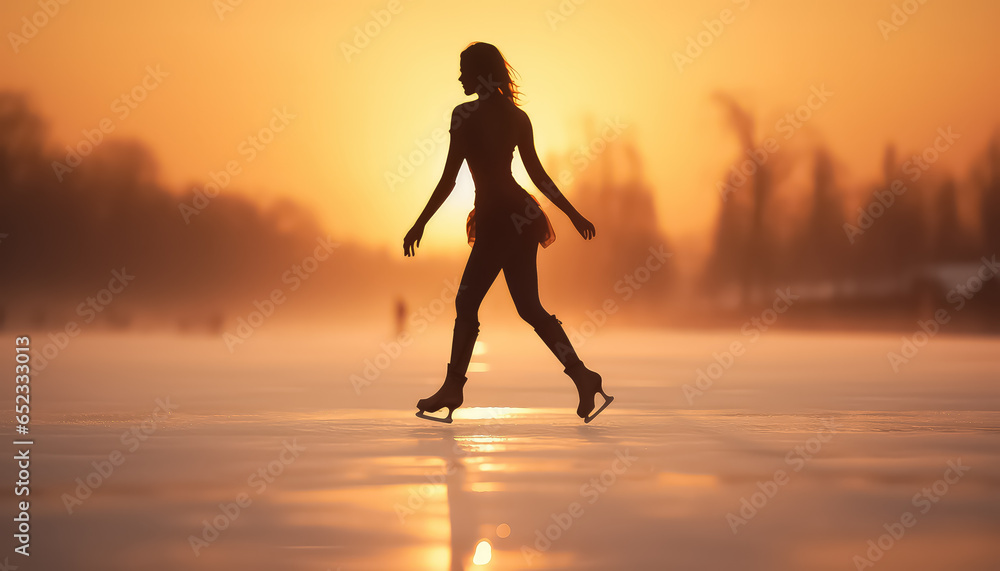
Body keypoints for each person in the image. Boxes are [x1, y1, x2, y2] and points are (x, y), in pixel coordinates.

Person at [403, 42, 613, 424]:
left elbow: (451, 177)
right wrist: (572, 214)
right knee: (529, 307)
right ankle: (583, 376)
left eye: (465, 69)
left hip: (500, 220)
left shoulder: (464, 115)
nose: (460, 77)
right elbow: (538, 177)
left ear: (481, 72)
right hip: (522, 216)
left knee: (467, 304)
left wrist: (420, 221)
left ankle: (453, 387)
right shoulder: (517, 117)